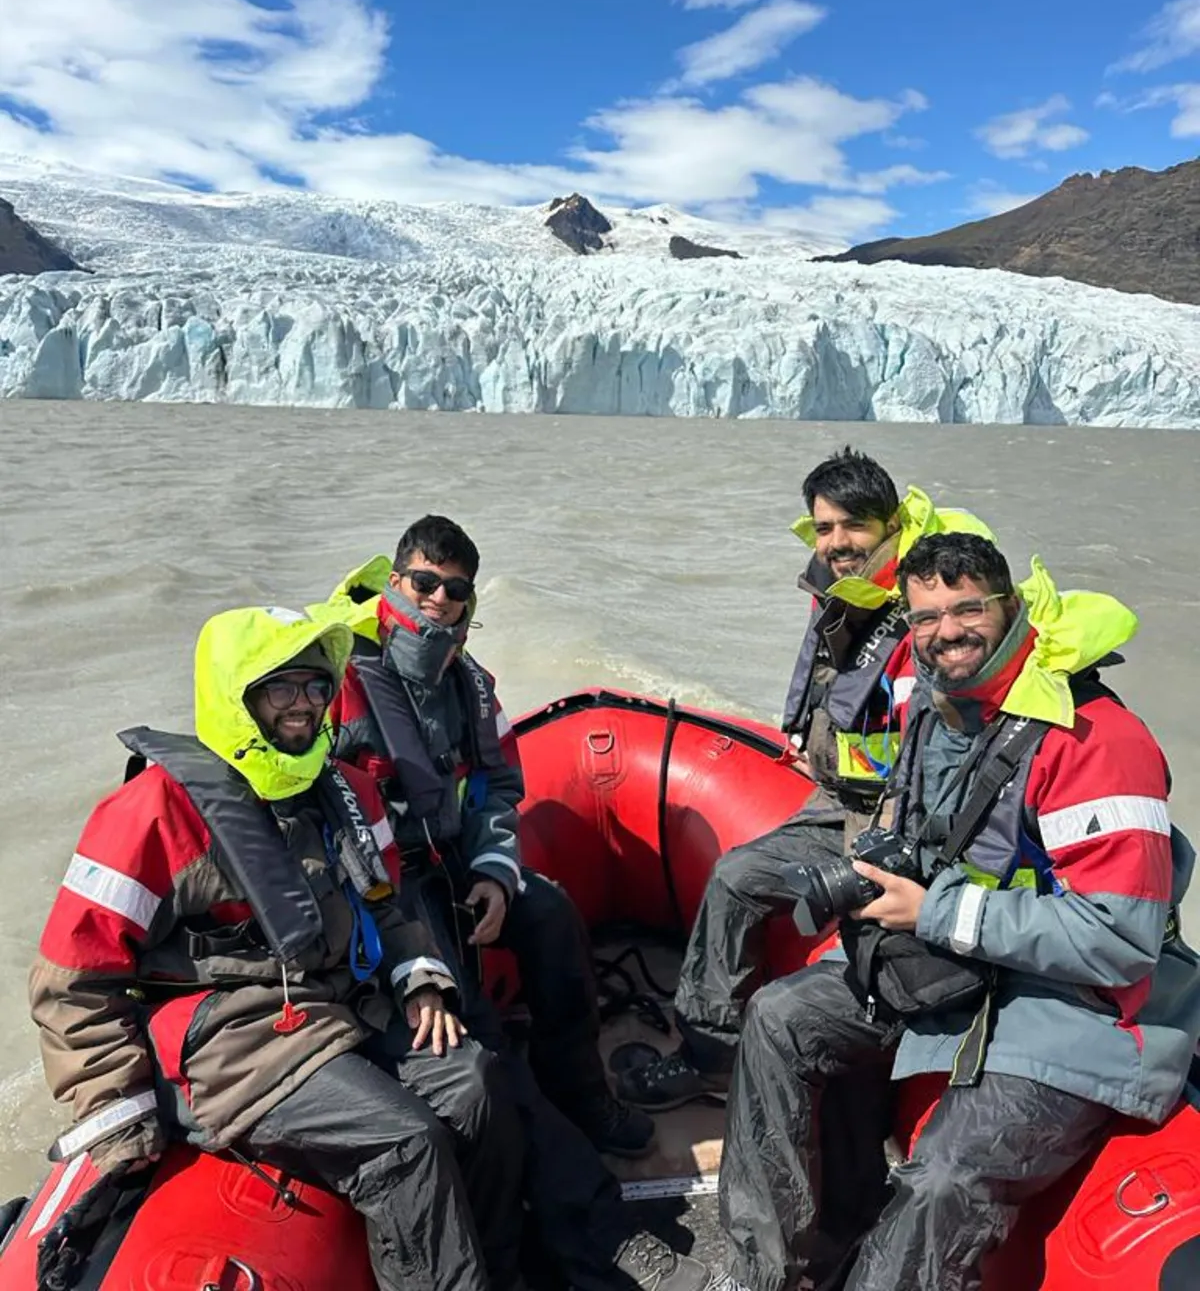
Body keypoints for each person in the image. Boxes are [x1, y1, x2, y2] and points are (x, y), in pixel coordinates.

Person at [710, 532, 1200, 1291]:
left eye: (967, 608)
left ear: (1009, 606)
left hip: (1076, 1005)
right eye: (925, 617)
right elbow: (920, 837)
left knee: (942, 1177)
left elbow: (1122, 940)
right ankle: (765, 1272)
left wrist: (937, 912)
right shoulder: (942, 714)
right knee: (779, 1019)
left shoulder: (1097, 739)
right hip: (959, 968)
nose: (946, 632)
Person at [29, 605, 524, 1291]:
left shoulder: (344, 791)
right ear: (240, 696)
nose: (304, 706)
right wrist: (121, 1114)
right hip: (236, 1046)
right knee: (406, 1144)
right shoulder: (156, 812)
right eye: (281, 689)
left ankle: (502, 1271)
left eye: (316, 688)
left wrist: (421, 977)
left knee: (475, 1084)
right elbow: (69, 979)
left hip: (339, 1009)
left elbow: (392, 901)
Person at [317, 518, 711, 1291]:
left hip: (458, 866)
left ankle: (582, 1093)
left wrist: (497, 876)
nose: (436, 601)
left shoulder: (472, 685)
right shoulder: (337, 684)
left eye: (454, 591)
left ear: (469, 603)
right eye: (422, 583)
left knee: (552, 914)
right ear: (393, 581)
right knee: (479, 1045)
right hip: (387, 886)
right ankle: (584, 1214)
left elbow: (498, 789)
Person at [621, 449, 990, 1111]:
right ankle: (712, 1053)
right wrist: (813, 751)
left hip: (884, 823)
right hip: (840, 800)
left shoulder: (925, 614)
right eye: (823, 528)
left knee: (740, 878)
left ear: (892, 522)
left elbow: (936, 751)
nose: (837, 542)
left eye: (853, 525)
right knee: (735, 876)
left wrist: (882, 837)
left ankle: (722, 1055)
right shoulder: (848, 594)